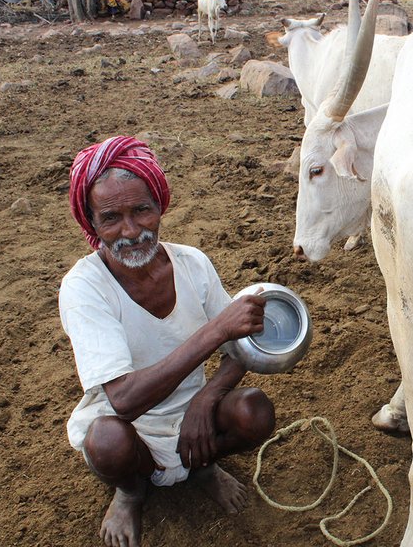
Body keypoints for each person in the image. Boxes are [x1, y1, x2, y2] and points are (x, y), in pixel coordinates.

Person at [60, 136, 275, 547]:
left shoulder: (191, 263)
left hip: (193, 411)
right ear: (91, 223)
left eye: (142, 210)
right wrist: (215, 330)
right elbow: (123, 400)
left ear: (159, 206)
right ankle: (130, 492)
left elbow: (243, 343)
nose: (131, 231)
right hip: (128, 427)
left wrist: (206, 397)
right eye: (111, 218)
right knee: (105, 443)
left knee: (254, 410)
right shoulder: (84, 288)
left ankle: (203, 467)